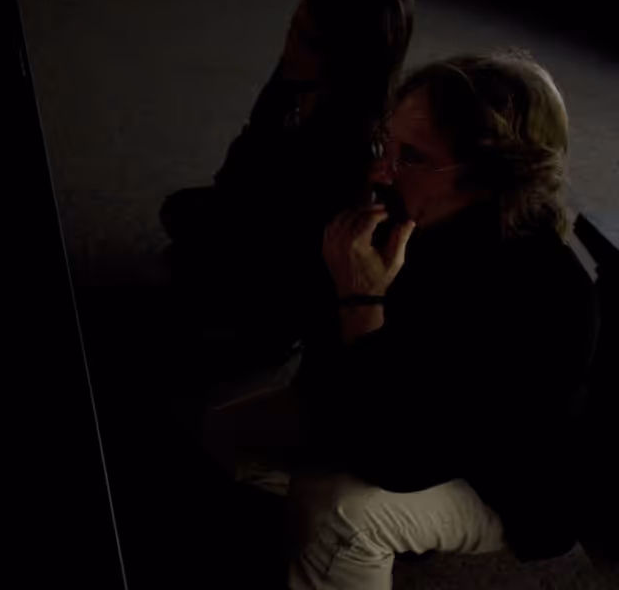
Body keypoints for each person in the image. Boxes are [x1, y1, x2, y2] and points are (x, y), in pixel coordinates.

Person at [202, 50, 599, 589]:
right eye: (383, 144)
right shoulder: (404, 218)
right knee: (217, 440)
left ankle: (370, 534)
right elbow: (322, 378)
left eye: (409, 156)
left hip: (497, 481)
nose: (379, 170)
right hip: (390, 418)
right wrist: (328, 270)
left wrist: (360, 303)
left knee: (337, 512)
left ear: (491, 178)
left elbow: (396, 459)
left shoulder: (550, 300)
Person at [160, 0, 416, 398]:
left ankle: (270, 331)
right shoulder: (297, 76)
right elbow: (250, 143)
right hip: (259, 208)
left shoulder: (359, 146)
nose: (289, 47)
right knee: (179, 216)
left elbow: (309, 252)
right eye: (294, 27)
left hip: (290, 258)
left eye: (309, 41)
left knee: (195, 284)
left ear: (348, 58)